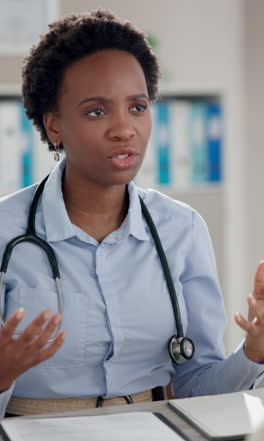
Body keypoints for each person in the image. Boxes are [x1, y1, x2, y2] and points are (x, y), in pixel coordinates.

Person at [0, 9, 264, 419]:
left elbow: (199, 390)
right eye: (96, 111)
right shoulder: (5, 231)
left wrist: (253, 353)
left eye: (137, 107)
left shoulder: (182, 228)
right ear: (54, 126)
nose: (124, 129)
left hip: (161, 438)